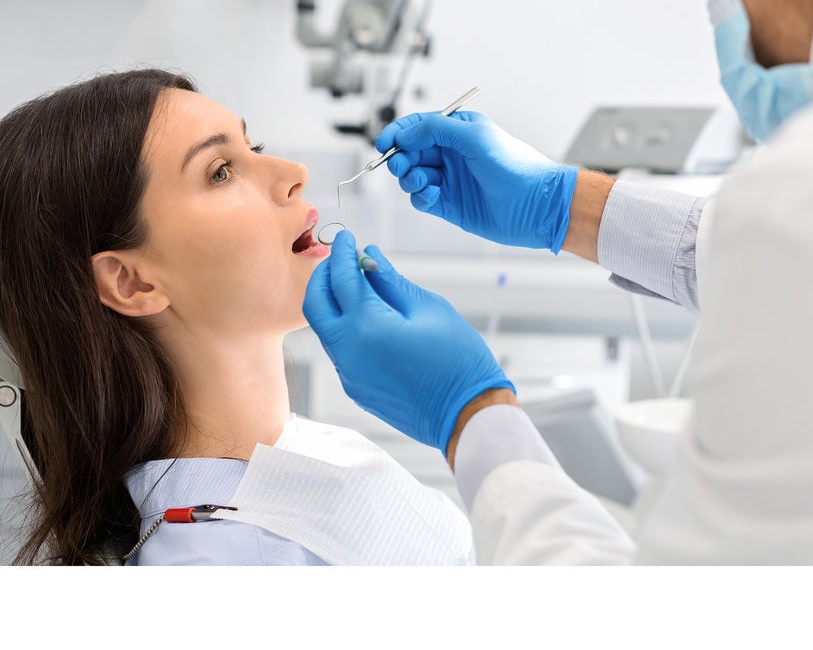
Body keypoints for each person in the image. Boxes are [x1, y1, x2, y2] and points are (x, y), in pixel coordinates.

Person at [303, 0, 813, 564]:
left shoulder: (805, 202)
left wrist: (471, 415)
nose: (726, 0)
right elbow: (763, 266)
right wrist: (563, 206)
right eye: (221, 169)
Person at [0, 68, 473, 566]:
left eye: (254, 147)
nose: (294, 173)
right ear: (132, 282)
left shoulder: (299, 453)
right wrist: (478, 411)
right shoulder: (223, 565)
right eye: (220, 171)